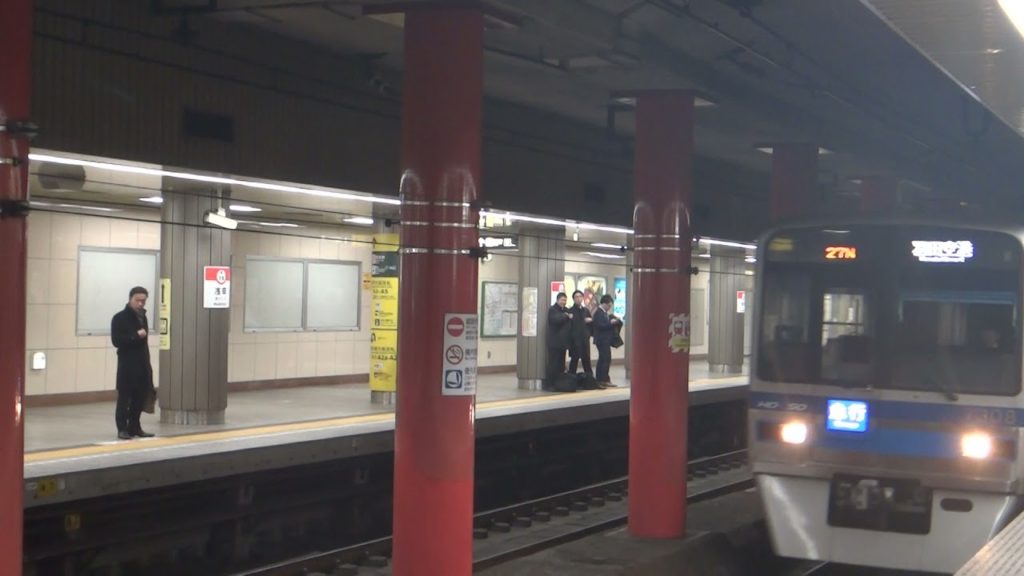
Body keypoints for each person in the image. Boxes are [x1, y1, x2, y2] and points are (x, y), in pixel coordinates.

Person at [111, 286, 155, 440]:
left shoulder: (143, 318)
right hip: (127, 366)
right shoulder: (119, 318)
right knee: (124, 398)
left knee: (139, 397)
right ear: (130, 299)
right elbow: (116, 341)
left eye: (143, 301)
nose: (140, 304)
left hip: (142, 364)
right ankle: (122, 428)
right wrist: (135, 336)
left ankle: (135, 427)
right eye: (138, 300)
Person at [592, 294, 622, 388]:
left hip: (605, 340)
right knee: (604, 359)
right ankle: (602, 379)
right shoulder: (599, 313)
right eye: (609, 305)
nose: (609, 308)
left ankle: (603, 379)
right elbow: (600, 326)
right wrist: (610, 323)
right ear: (604, 304)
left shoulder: (604, 313)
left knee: (605, 359)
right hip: (601, 340)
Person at [546, 292, 573, 389]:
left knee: (561, 364)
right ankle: (550, 383)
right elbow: (555, 320)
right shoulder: (553, 310)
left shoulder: (566, 310)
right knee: (553, 364)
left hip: (563, 343)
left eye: (565, 300)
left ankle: (559, 383)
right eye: (562, 300)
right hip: (554, 342)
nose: (563, 302)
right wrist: (565, 316)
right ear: (557, 300)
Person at [568, 290, 593, 376]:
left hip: (585, 339)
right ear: (573, 299)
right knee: (574, 360)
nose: (578, 298)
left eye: (580, 296)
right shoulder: (570, 311)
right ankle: (571, 379)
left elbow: (590, 323)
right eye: (576, 297)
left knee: (586, 360)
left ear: (582, 298)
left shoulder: (586, 310)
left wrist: (588, 333)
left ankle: (589, 378)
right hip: (574, 340)